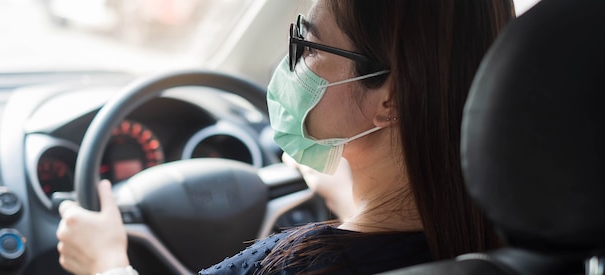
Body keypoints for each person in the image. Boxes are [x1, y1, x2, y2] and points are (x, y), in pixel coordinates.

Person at [56, 0, 516, 274]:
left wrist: (104, 262)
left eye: (309, 46)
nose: (290, 61)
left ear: (389, 102)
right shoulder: (506, 235)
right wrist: (350, 194)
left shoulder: (299, 267)